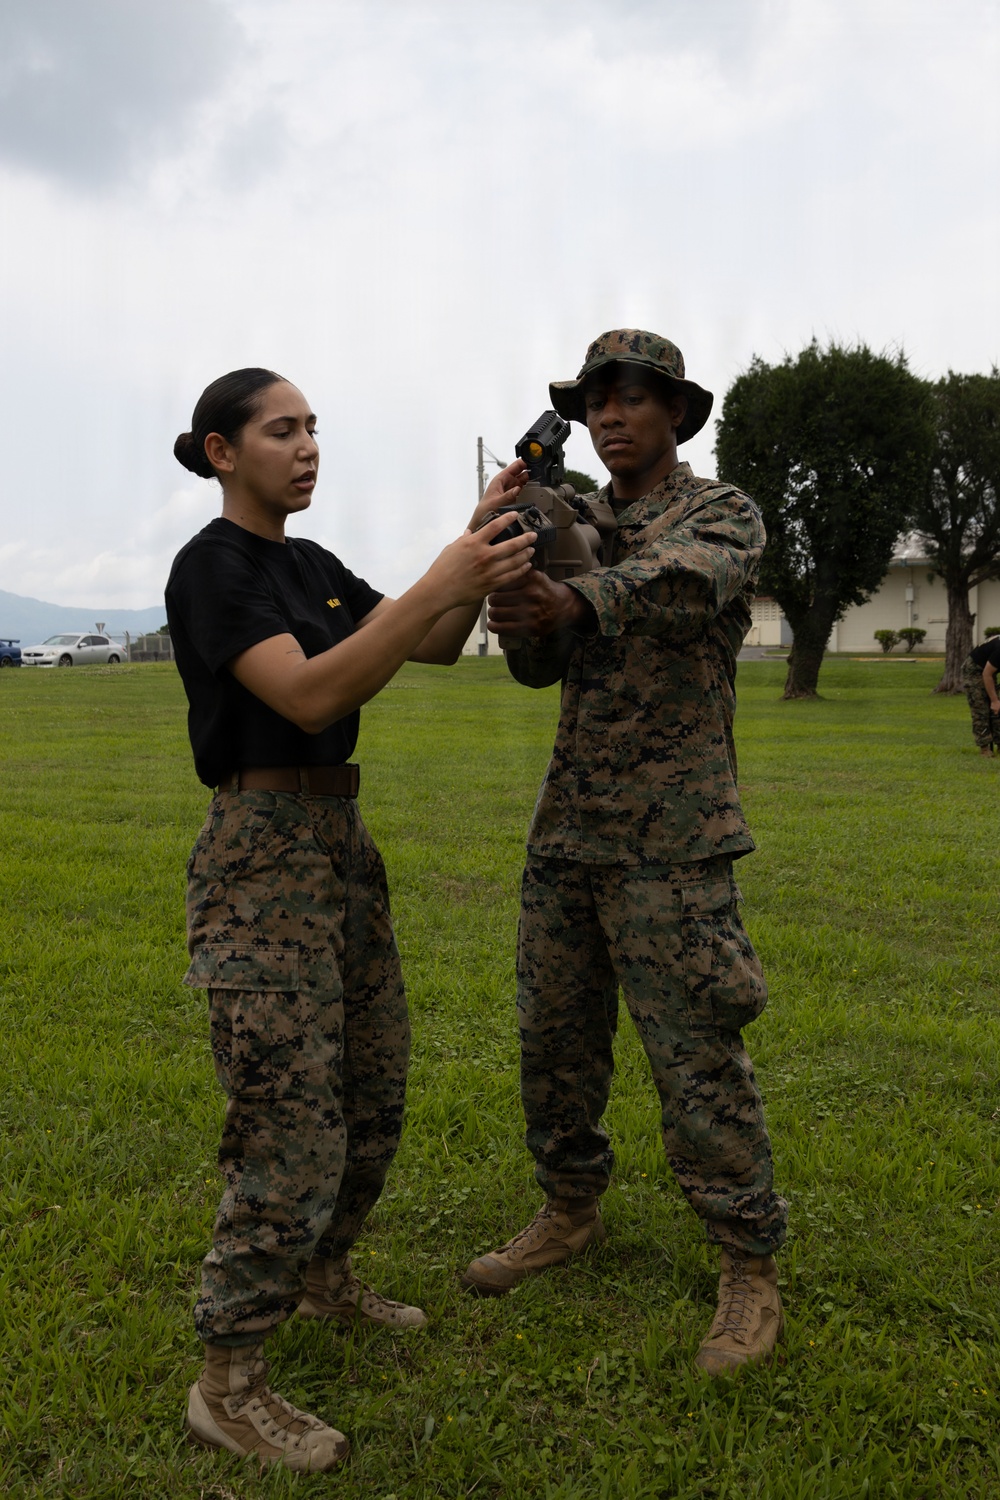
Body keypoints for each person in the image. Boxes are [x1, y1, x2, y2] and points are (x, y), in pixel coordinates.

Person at [165, 367, 534, 1471]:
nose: (308, 446)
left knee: (373, 1086)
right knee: (290, 1124)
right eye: (282, 430)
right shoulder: (213, 566)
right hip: (259, 855)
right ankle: (226, 1383)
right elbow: (314, 693)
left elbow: (422, 641)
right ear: (223, 452)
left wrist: (473, 546)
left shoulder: (310, 564)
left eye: (315, 428)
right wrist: (443, 575)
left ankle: (322, 1281)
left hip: (339, 850)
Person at [461, 330, 788, 1376]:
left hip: (674, 843)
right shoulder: (564, 518)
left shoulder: (718, 513)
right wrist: (515, 576)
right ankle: (568, 1210)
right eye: (596, 399)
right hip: (569, 834)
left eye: (634, 399)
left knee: (696, 1058)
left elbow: (685, 585)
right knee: (553, 1045)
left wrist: (572, 588)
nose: (610, 415)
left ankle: (746, 1262)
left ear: (677, 416)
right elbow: (535, 666)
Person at [960, 636, 1000, 755]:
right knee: (981, 708)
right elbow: (987, 674)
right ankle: (985, 748)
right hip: (974, 671)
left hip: (988, 671)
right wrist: (994, 701)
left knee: (997, 711)